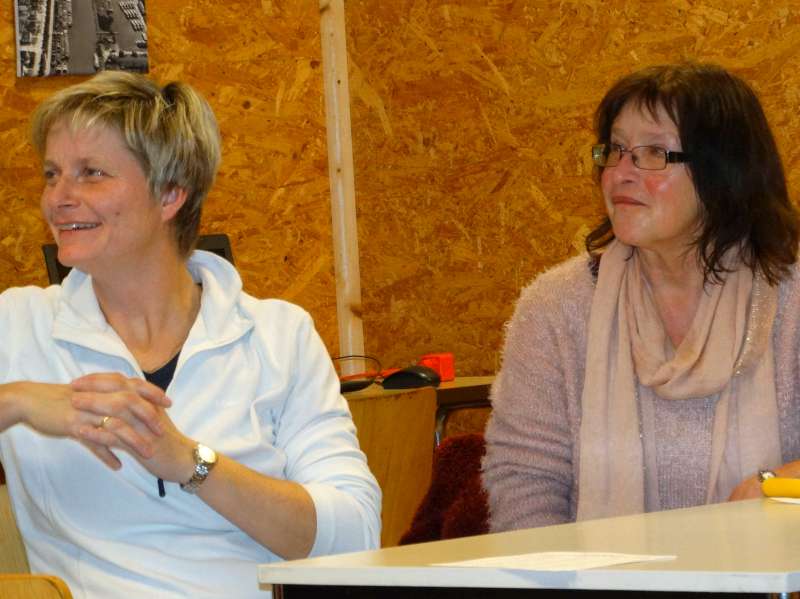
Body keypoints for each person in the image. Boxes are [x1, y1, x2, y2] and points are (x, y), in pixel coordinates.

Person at [0, 71, 380, 598]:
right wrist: (17, 401)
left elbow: (355, 536)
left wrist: (190, 463)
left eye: (91, 173)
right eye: (51, 174)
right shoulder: (16, 325)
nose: (57, 198)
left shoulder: (278, 335)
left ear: (170, 193)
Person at [483, 62, 800, 531]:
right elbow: (524, 481)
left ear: (724, 171)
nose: (621, 174)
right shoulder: (556, 307)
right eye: (615, 150)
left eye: (653, 152)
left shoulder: (791, 299)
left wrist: (778, 485)